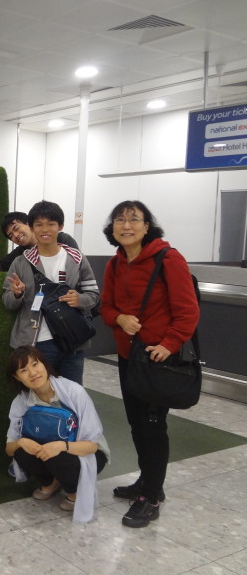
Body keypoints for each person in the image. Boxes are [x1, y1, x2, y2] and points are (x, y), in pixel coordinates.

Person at [100, 200, 199, 528]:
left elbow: (187, 311)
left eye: (134, 219)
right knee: (137, 423)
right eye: (120, 219)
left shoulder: (168, 259)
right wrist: (120, 318)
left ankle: (152, 496)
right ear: (113, 228)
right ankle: (147, 481)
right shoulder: (115, 263)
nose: (126, 225)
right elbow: (106, 307)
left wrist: (168, 344)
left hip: (157, 359)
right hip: (129, 358)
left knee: (153, 426)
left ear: (147, 227)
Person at [5, 346, 109, 523]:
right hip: (49, 453)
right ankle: (51, 482)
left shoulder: (74, 392)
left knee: (58, 458)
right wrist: (21, 442)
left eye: (35, 364)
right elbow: (9, 448)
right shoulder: (21, 402)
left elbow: (92, 445)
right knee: (20, 451)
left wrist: (62, 446)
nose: (33, 373)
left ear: (44, 364)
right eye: (23, 370)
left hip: (84, 452)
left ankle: (74, 491)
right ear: (17, 377)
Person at [2, 201, 99, 385]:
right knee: (38, 394)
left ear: (60, 226)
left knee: (72, 394)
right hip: (36, 342)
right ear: (32, 228)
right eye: (39, 224)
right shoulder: (21, 262)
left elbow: (93, 295)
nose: (45, 229)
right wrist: (16, 294)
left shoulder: (76, 258)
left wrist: (79, 299)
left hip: (72, 339)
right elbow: (7, 301)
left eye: (51, 224)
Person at [0, 211, 79, 272]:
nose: (15, 235)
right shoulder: (20, 253)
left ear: (29, 224)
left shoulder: (62, 239)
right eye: (11, 235)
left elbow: (77, 267)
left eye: (16, 228)